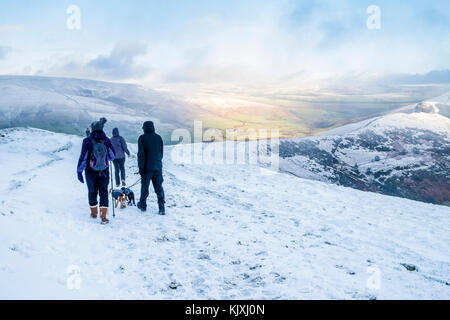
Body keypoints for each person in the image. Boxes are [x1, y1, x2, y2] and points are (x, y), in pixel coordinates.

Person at [77, 117, 115, 224]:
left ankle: (94, 213)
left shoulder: (87, 141)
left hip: (90, 171)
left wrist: (79, 171)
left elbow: (83, 158)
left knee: (92, 191)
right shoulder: (107, 140)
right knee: (103, 192)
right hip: (104, 171)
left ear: (92, 129)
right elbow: (112, 156)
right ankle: (103, 217)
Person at [137, 121, 165, 215]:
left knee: (145, 187)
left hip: (146, 168)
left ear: (144, 128)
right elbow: (161, 153)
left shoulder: (142, 138)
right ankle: (162, 208)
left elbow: (141, 155)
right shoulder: (158, 137)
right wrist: (157, 163)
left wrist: (141, 167)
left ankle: (143, 205)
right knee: (159, 188)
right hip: (157, 167)